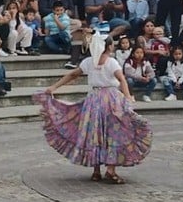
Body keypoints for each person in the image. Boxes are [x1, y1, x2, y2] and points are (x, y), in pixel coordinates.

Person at [36, 32, 153, 184]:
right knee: (113, 133)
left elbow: (72, 75)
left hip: (93, 100)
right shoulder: (111, 62)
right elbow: (121, 79)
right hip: (111, 99)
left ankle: (96, 171)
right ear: (109, 47)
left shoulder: (89, 62)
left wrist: (53, 87)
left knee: (95, 133)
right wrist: (128, 97)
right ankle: (110, 171)